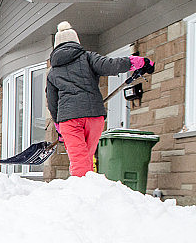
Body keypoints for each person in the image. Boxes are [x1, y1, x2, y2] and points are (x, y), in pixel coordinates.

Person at [47, 21, 152, 177]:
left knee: (78, 160)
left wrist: (58, 126)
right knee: (87, 158)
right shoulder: (87, 57)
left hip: (68, 119)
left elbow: (52, 102)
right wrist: (136, 62)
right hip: (93, 115)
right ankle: (88, 192)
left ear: (56, 47)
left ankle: (82, 193)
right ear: (76, 42)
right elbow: (110, 65)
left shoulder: (53, 72)